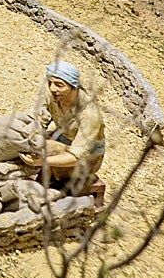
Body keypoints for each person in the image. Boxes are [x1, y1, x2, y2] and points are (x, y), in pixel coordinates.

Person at [20, 61, 106, 199]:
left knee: (45, 147)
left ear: (73, 87)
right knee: (29, 142)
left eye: (59, 85)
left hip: (87, 158)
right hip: (62, 139)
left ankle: (44, 190)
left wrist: (42, 161)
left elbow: (77, 156)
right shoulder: (53, 93)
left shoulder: (89, 114)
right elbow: (37, 119)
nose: (53, 88)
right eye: (50, 83)